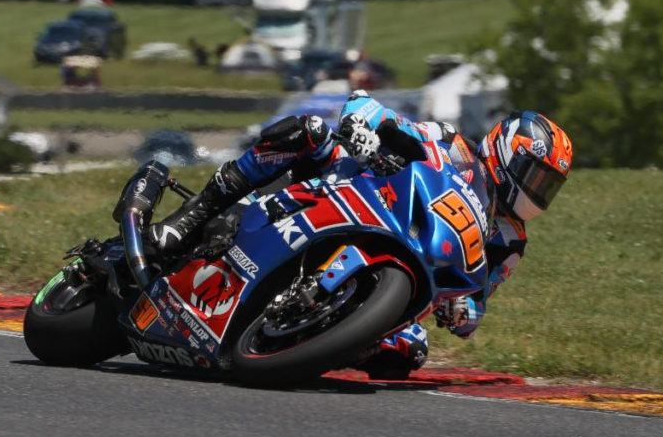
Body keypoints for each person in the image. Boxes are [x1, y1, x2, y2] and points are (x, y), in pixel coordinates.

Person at [146, 91, 574, 379]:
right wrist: (363, 129)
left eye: (547, 185)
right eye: (535, 176)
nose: (537, 191)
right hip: (349, 189)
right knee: (309, 131)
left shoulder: (509, 240)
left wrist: (465, 312)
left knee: (409, 352)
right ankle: (194, 213)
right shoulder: (452, 144)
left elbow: (479, 302)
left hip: (407, 269)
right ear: (506, 152)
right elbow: (372, 110)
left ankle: (311, 337)